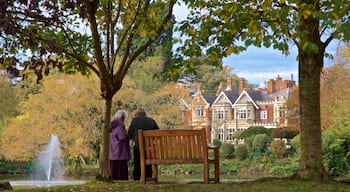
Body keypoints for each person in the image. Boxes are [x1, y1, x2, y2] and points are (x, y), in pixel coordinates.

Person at [128, 108, 160, 180]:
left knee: (137, 162)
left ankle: (136, 177)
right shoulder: (151, 120)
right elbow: (158, 132)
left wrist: (134, 138)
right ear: (145, 114)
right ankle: (148, 176)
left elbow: (129, 134)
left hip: (138, 148)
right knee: (148, 163)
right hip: (149, 147)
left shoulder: (135, 120)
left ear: (137, 114)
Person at [109, 110, 130, 180]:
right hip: (120, 150)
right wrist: (128, 135)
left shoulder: (111, 124)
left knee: (113, 167)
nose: (124, 120)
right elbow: (122, 136)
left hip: (112, 150)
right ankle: (121, 179)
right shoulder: (120, 124)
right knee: (121, 168)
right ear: (122, 117)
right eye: (124, 118)